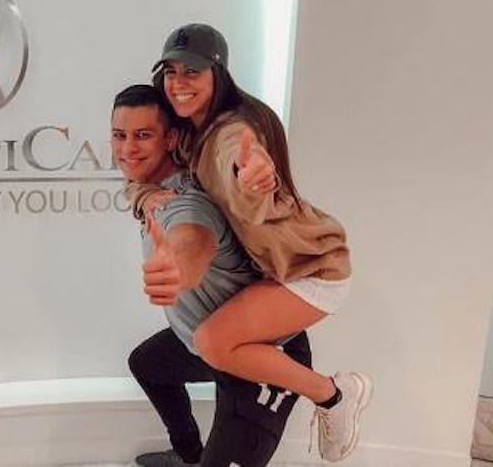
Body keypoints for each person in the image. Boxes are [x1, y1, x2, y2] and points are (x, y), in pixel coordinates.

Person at [127, 24, 374, 462]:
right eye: (171, 71)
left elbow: (238, 157)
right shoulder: (188, 133)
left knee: (213, 341)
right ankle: (189, 454)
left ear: (218, 74)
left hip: (311, 270)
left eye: (192, 72)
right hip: (274, 275)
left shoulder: (230, 132)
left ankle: (334, 395)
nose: (179, 82)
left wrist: (255, 171)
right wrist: (142, 193)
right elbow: (147, 170)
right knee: (157, 360)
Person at [112, 84, 312, 467]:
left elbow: (193, 238)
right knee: (149, 364)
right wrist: (138, 194)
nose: (128, 148)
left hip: (266, 359)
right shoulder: (152, 187)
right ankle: (189, 455)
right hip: (215, 344)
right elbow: (134, 186)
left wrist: (178, 268)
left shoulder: (186, 203)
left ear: (171, 139)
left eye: (143, 135)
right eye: (120, 135)